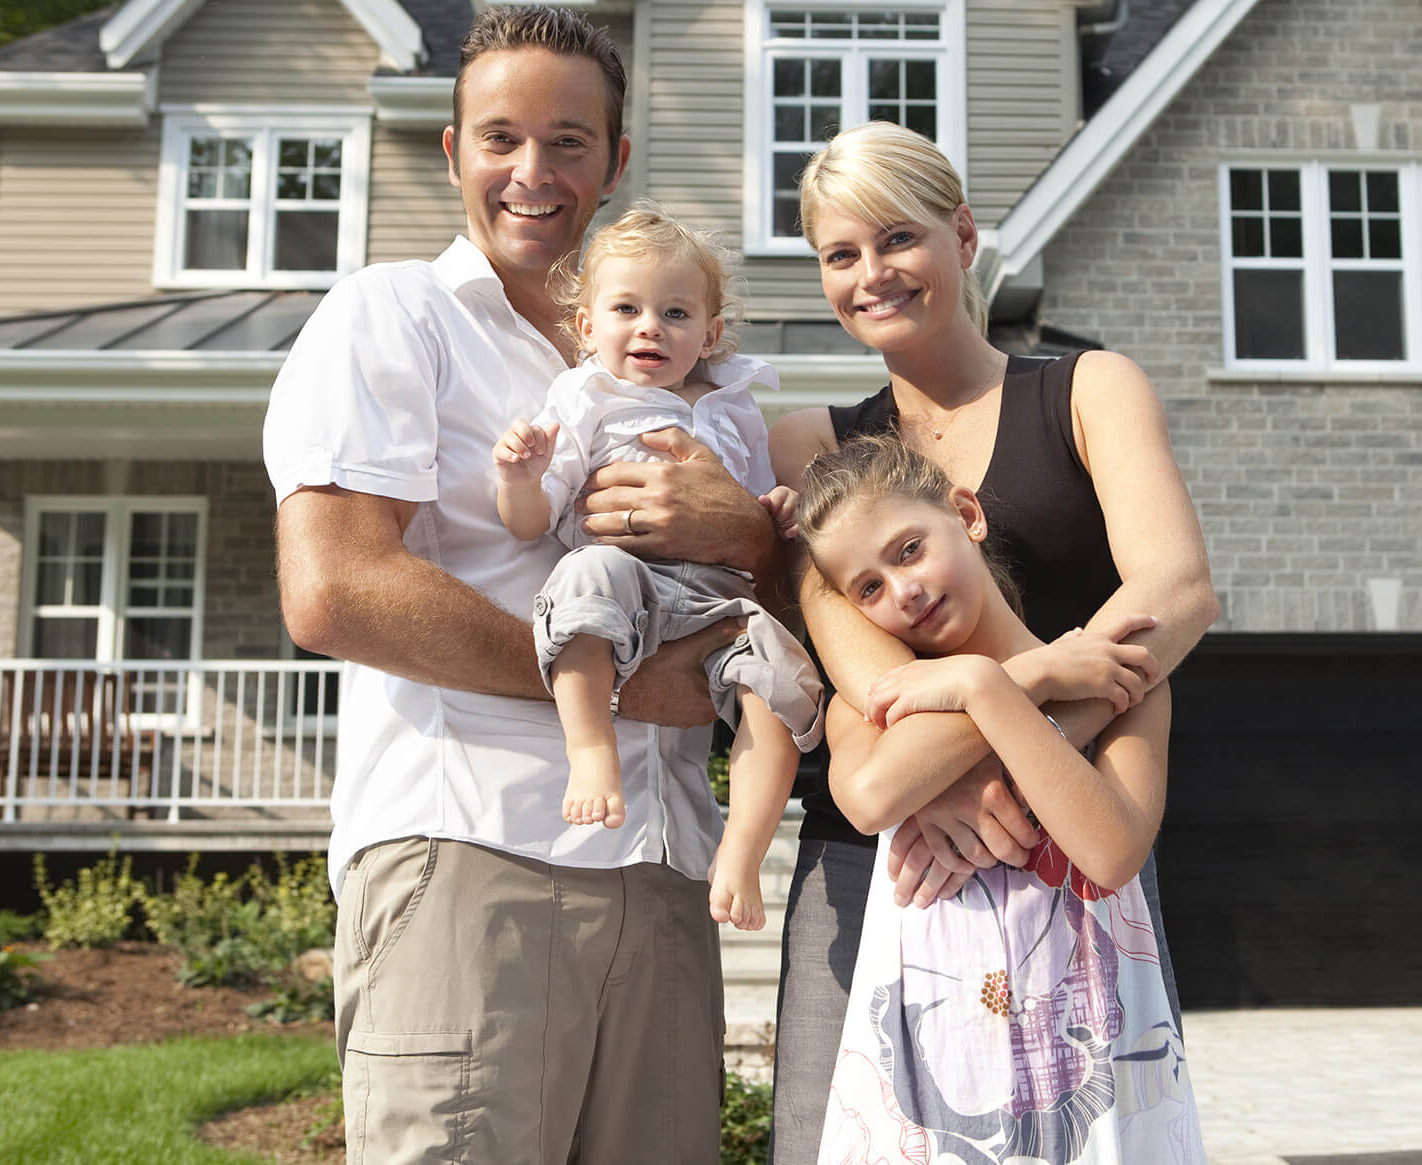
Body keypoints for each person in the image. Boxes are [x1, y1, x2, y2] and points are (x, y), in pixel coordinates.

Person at [265, 6, 774, 1164]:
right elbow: (334, 591)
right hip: (473, 856)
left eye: (568, 141)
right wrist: (624, 692)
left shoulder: (677, 365)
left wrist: (746, 530)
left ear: (615, 161)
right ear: (451, 152)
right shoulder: (391, 317)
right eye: (499, 138)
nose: (531, 173)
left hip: (666, 868)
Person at [759, 121, 1217, 1163]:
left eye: (897, 238)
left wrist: (1027, 752)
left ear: (961, 237)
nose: (871, 273)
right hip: (884, 858)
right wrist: (998, 721)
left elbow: (1175, 590)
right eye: (840, 254)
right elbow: (868, 686)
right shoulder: (810, 445)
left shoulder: (1089, 388)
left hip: (1068, 838)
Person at [798, 432, 1206, 1163]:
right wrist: (1021, 681)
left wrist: (986, 687)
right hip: (938, 1095)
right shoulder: (875, 712)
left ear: (967, 513)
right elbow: (868, 796)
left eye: (908, 549)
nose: (904, 590)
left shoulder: (1116, 679)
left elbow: (1112, 850)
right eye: (868, 589)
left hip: (1096, 1071)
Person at [494, 200, 823, 929]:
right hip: (628, 580)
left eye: (675, 313)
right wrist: (523, 476)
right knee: (581, 582)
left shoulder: (736, 407)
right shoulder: (585, 399)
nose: (650, 325)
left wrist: (774, 509)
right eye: (626, 308)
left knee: (781, 677)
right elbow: (530, 521)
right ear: (586, 328)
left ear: (708, 335)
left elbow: (747, 511)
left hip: (719, 601)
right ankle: (590, 747)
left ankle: (742, 846)